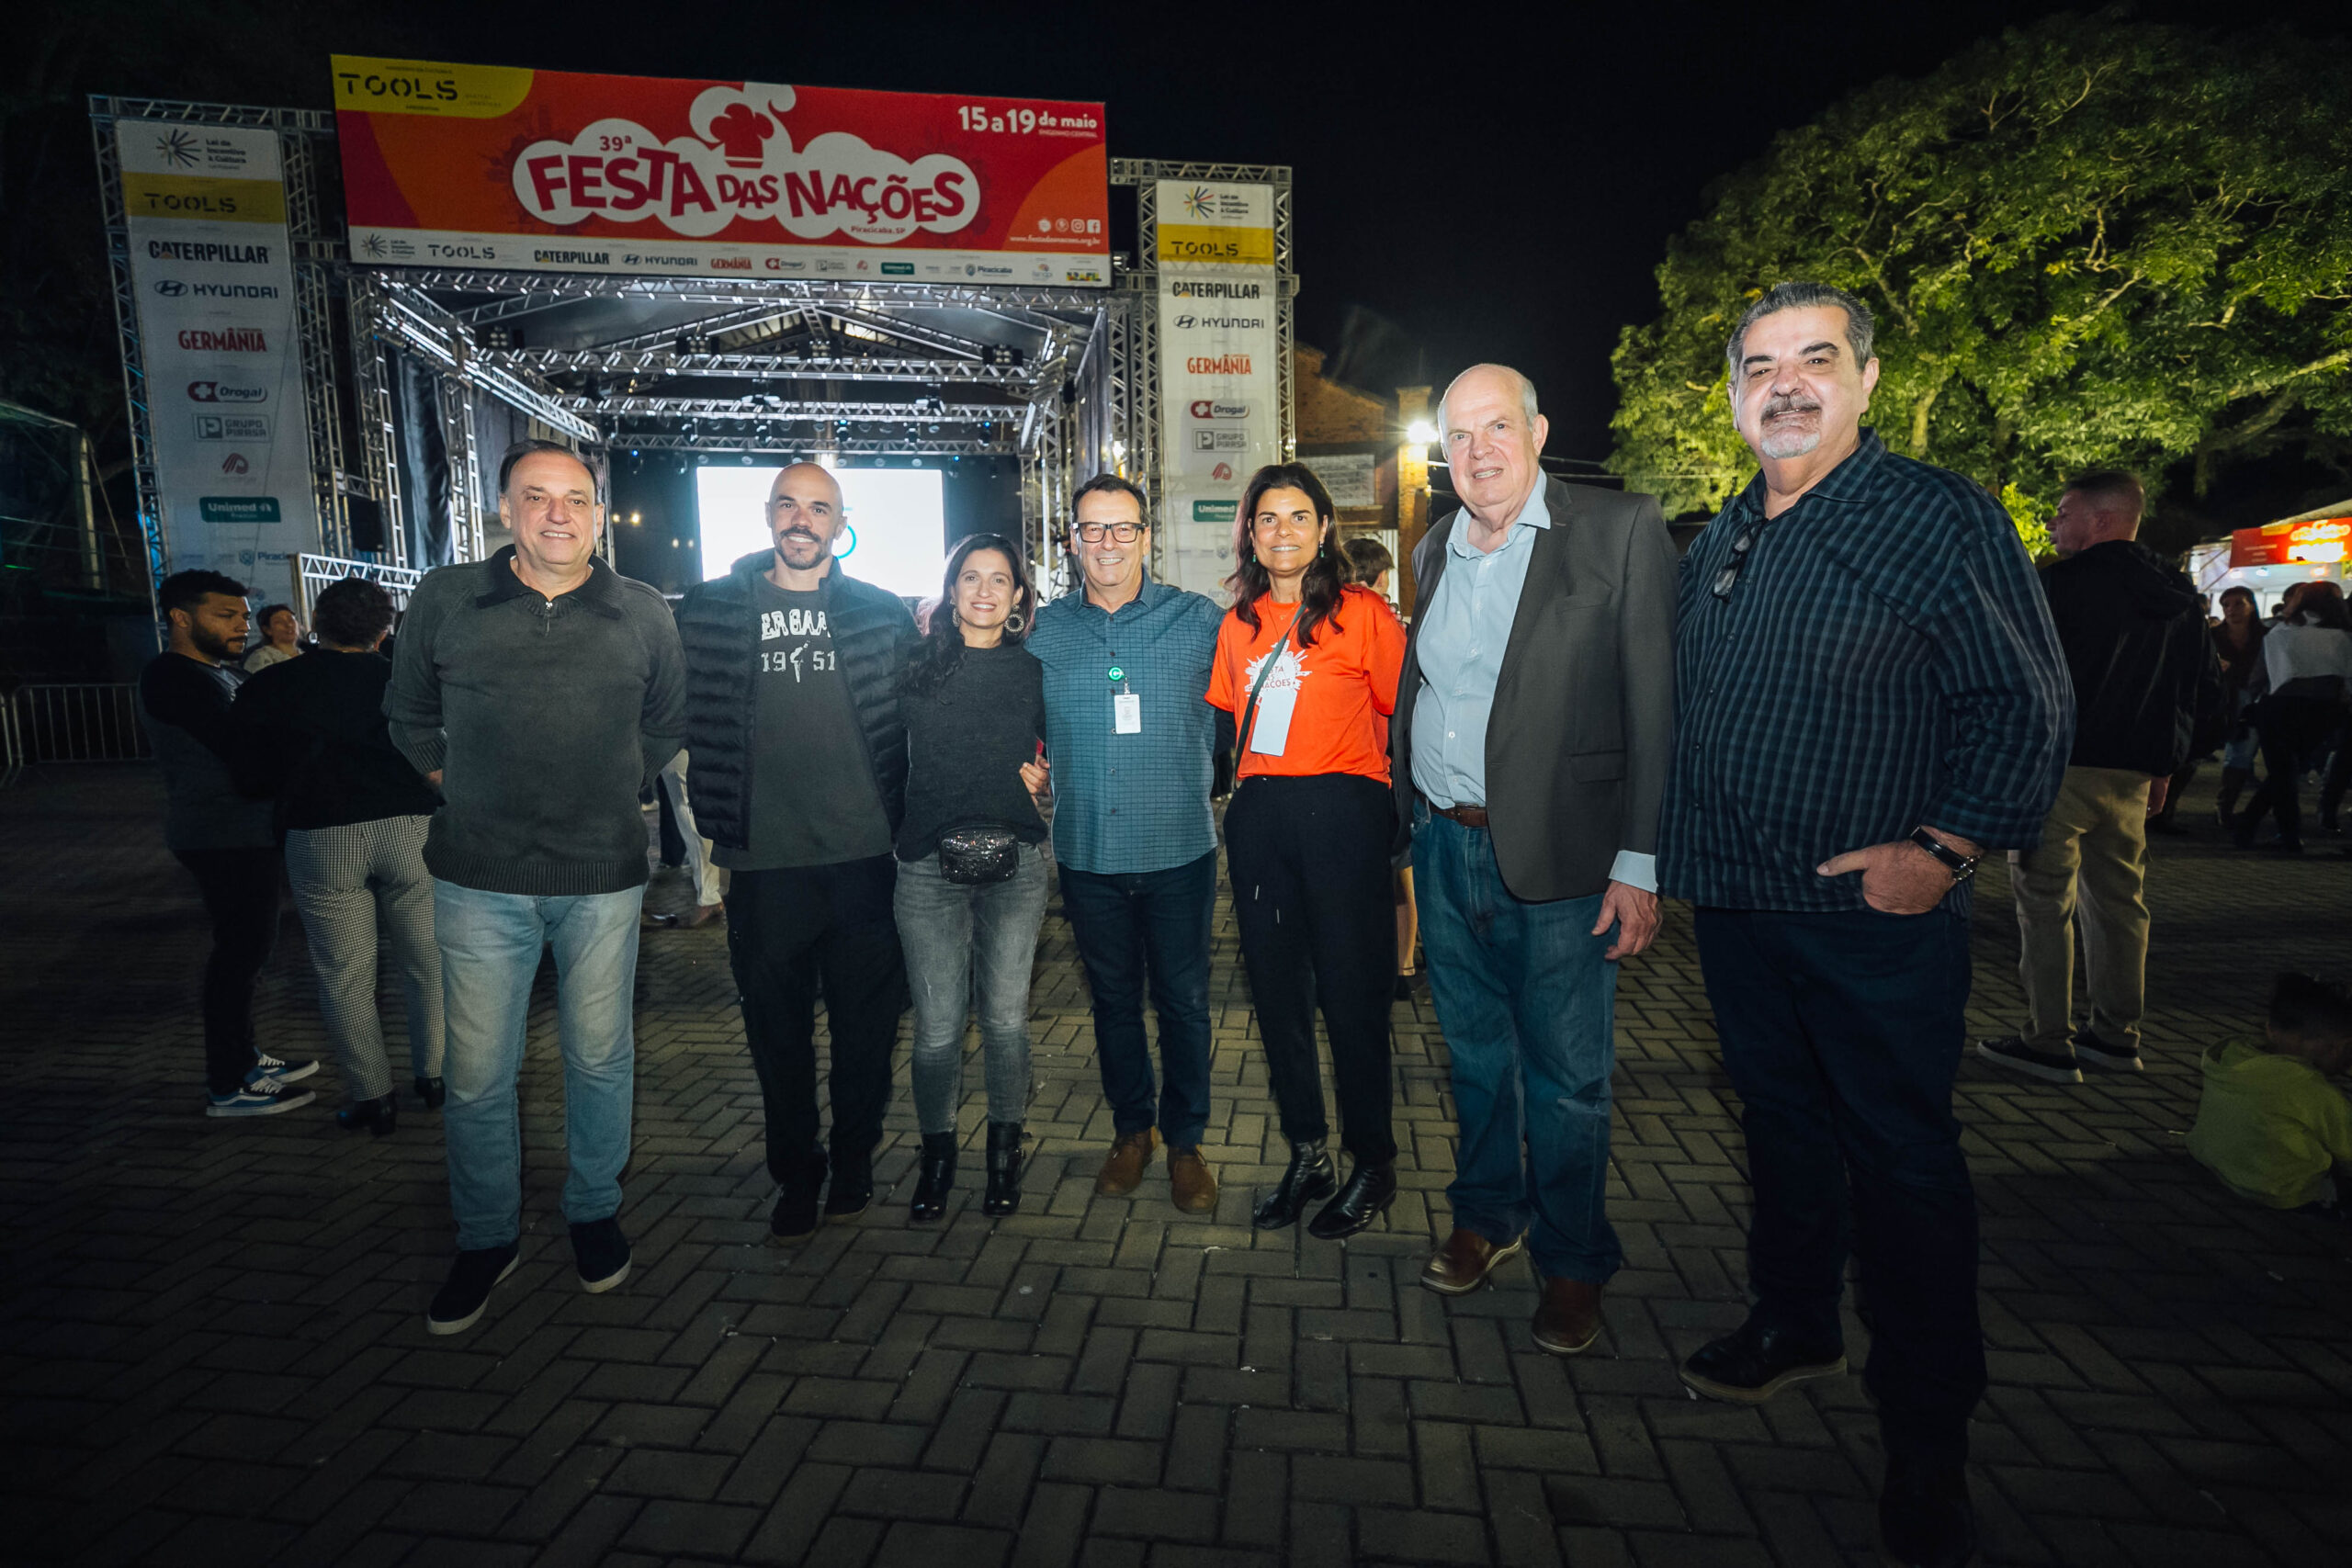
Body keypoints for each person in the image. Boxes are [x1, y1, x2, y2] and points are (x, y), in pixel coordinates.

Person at [1659, 283, 2070, 1568]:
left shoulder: (1934, 513)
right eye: (1760, 365)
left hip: (1869, 916)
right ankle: (1795, 1322)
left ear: (1867, 378)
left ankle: (1927, 1436)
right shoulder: (1727, 529)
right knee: (1780, 1130)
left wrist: (1943, 850)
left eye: (1815, 358)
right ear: (1734, 395)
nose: (1784, 383)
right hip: (1738, 904)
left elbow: (2027, 702)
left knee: (1901, 1164)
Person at [1391, 365, 1676, 1357]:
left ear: (1539, 430)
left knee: (1567, 1079)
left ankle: (1572, 1259)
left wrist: (1639, 861)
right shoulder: (1433, 545)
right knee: (1473, 1059)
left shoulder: (1619, 528)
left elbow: (1655, 704)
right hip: (1445, 843)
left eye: (1497, 427)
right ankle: (1488, 1215)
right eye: (1459, 436)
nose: (1478, 452)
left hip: (1565, 857)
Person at [387, 440, 686, 1336]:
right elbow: (408, 715)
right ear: (506, 510)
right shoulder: (446, 599)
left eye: (576, 499)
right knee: (478, 1074)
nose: (559, 513)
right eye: (538, 496)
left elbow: (666, 724)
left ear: (597, 514)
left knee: (600, 1057)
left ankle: (593, 1210)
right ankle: (486, 1235)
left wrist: (615, 785)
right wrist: (459, 786)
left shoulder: (642, 611)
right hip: (480, 877)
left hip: (602, 878)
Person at [674, 461, 917, 1242]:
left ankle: (852, 1160)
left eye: (818, 507)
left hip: (866, 862)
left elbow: (923, 716)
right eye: (789, 505)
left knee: (865, 1035)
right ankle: (796, 1172)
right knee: (776, 1038)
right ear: (769, 515)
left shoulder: (880, 612)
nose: (802, 520)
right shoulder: (711, 609)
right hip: (762, 866)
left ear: (841, 524)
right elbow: (664, 707)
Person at [1209, 463, 1408, 1239]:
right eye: (1268, 518)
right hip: (1262, 818)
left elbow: (1399, 715)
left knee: (1352, 998)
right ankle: (1307, 1152)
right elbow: (1231, 729)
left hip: (1344, 816)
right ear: (1250, 535)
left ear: (1324, 528)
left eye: (1298, 516)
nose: (1282, 531)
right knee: (1278, 998)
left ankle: (1374, 1161)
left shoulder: (1364, 614)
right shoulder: (1238, 623)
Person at [1979, 472, 2219, 1083]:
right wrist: (2166, 764)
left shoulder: (2056, 586)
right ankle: (2116, 1034)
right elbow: (2197, 689)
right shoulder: (2177, 594)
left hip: (2059, 766)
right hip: (2134, 773)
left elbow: (2016, 675)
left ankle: (2048, 1038)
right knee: (2120, 903)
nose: (2053, 523)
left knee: (2044, 902)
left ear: (2102, 519)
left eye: (2064, 512)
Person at [1027, 475, 1226, 1212]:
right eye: (1093, 528)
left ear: (1146, 536)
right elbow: (1015, 722)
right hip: (1087, 852)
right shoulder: (1042, 631)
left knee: (1183, 1003)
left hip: (1179, 848)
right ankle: (1132, 1130)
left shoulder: (1199, 620)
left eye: (1122, 528)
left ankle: (1186, 1142)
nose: (1107, 542)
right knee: (1113, 1003)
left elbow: (1241, 714)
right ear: (1072, 539)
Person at [236, 575, 446, 1134]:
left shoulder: (272, 684)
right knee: (427, 961)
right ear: (383, 631)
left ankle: (373, 1095)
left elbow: (249, 773)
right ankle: (435, 1076)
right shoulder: (408, 681)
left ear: (315, 625)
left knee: (344, 973)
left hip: (321, 832)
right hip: (410, 827)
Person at [894, 534, 1053, 1221]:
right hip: (926, 869)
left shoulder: (1037, 671)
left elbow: (1071, 751)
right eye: (971, 577)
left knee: (1007, 1022)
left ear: (1018, 595)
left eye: (999, 579)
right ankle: (936, 1158)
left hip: (1017, 867)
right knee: (936, 1029)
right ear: (951, 588)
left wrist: (1049, 782)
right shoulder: (912, 665)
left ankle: (1003, 1155)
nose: (985, 590)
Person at [139, 570, 318, 1118]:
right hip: (220, 835)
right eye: (225, 615)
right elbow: (245, 752)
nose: (241, 625)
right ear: (180, 617)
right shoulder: (173, 676)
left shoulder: (221, 673)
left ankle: (244, 1057)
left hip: (242, 831)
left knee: (248, 951)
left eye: (242, 615)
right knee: (239, 955)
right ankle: (228, 1083)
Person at [2187, 973, 2352, 1214]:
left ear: (2270, 1029)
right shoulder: (2309, 1087)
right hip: (2285, 1190)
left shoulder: (2233, 1057)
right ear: (2338, 1046)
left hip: (2221, 1164)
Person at [1342, 536, 1421, 998]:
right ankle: (1399, 968)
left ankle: (1394, 967)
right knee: (1395, 876)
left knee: (1391, 876)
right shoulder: (1380, 622)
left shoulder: (1357, 622)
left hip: (1378, 773)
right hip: (1382, 772)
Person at [2233, 582, 2352, 853]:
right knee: (2288, 771)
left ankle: (2281, 834)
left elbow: (2262, 676)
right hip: (2325, 710)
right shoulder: (2344, 635)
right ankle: (2262, 829)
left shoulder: (2281, 631)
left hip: (2280, 706)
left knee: (2282, 772)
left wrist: (2251, 703)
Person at [2209, 586, 2268, 830]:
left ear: (2251, 606)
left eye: (2238, 604)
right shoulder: (2213, 636)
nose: (2231, 610)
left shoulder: (2266, 636)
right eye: (2226, 605)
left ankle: (2225, 807)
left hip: (2252, 699)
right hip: (2219, 699)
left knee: (2241, 755)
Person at [646, 753, 724, 929]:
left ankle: (709, 896)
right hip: (680, 746)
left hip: (677, 745)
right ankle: (711, 894)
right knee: (689, 811)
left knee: (689, 813)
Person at [242, 604, 304, 671]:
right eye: (279, 622)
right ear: (267, 630)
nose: (288, 625)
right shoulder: (261, 658)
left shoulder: (306, 652)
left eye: (291, 619)